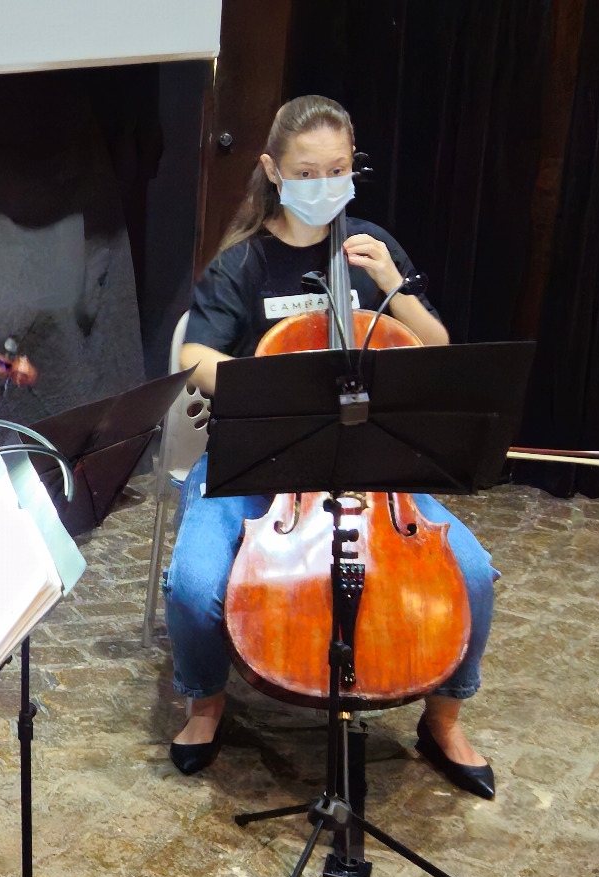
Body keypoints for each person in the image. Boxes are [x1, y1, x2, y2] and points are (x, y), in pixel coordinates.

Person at [164, 95, 498, 800]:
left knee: (470, 571)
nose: (324, 184)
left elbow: (433, 349)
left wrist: (394, 288)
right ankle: (205, 702)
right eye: (307, 171)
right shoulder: (243, 268)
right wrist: (266, 382)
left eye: (338, 170)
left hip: (372, 470)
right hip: (262, 460)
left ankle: (444, 719)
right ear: (272, 171)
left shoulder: (372, 247)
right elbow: (193, 355)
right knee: (194, 587)